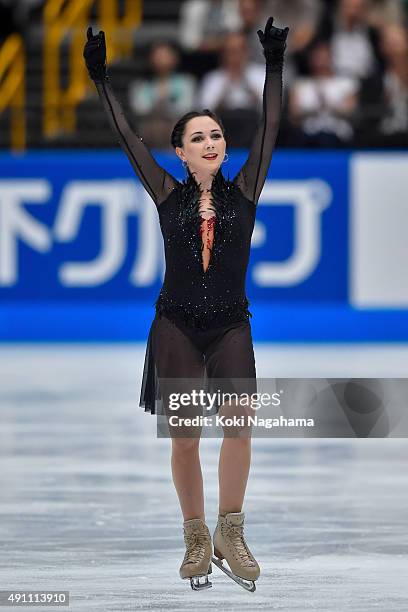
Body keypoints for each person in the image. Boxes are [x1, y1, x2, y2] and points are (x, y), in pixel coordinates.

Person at [83, 17, 288, 592]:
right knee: (185, 435)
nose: (210, 143)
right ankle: (195, 535)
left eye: (216, 135)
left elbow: (271, 126)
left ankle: (231, 529)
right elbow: (128, 138)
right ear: (179, 152)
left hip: (230, 325)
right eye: (197, 137)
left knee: (241, 425)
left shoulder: (245, 190)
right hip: (174, 325)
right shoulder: (166, 193)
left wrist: (273, 63)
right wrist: (101, 81)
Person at [197, 31, 265, 147]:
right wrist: (227, 84)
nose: (235, 56)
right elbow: (205, 111)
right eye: (231, 52)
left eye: (239, 51)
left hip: (253, 125)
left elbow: (269, 108)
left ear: (246, 52)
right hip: (224, 127)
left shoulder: (261, 74)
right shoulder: (213, 78)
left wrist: (245, 80)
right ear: (224, 55)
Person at [128, 41, 196, 149]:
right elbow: (139, 108)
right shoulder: (142, 85)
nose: (161, 60)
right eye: (157, 56)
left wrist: (165, 106)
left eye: (165, 56)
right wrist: (159, 105)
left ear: (174, 58)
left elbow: (186, 107)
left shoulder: (185, 82)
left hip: (176, 123)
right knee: (153, 128)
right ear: (150, 59)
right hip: (149, 125)